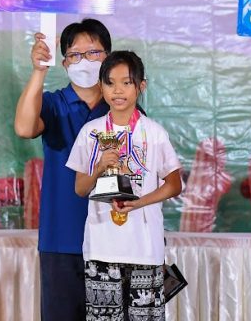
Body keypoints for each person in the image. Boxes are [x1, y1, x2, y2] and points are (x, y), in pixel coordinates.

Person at [66, 50, 182, 320]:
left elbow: (174, 184)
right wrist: (99, 167)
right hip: (101, 246)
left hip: (145, 248)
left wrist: (138, 203)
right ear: (101, 86)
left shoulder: (154, 133)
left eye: (126, 82)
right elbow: (80, 189)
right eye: (110, 82)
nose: (117, 90)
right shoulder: (91, 132)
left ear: (141, 86)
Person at [14, 18, 112, 320]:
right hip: (62, 238)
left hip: (115, 240)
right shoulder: (54, 104)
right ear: (65, 62)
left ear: (108, 57)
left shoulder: (122, 109)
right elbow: (24, 128)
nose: (85, 61)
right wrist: (38, 71)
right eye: (75, 54)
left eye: (93, 52)